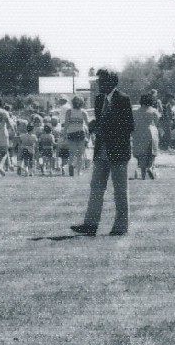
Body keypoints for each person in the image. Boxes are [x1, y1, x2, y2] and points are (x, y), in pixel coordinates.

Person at [72, 69, 135, 237]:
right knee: (96, 188)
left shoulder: (123, 99)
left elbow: (129, 126)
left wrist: (105, 128)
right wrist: (94, 125)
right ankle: (90, 224)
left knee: (120, 191)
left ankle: (121, 227)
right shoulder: (99, 99)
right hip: (101, 151)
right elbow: (102, 121)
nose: (98, 83)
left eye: (101, 80)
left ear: (111, 82)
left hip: (118, 151)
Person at [132, 94, 160, 181]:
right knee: (152, 152)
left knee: (141, 154)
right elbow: (156, 121)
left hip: (139, 133)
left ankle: (143, 175)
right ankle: (150, 167)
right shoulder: (154, 111)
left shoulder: (135, 111)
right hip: (151, 132)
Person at [63, 96, 90, 176]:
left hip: (71, 133)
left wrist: (64, 134)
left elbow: (66, 124)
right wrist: (89, 135)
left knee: (72, 153)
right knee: (80, 154)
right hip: (80, 133)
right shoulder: (83, 112)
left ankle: (71, 166)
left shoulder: (69, 111)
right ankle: (78, 171)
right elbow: (88, 124)